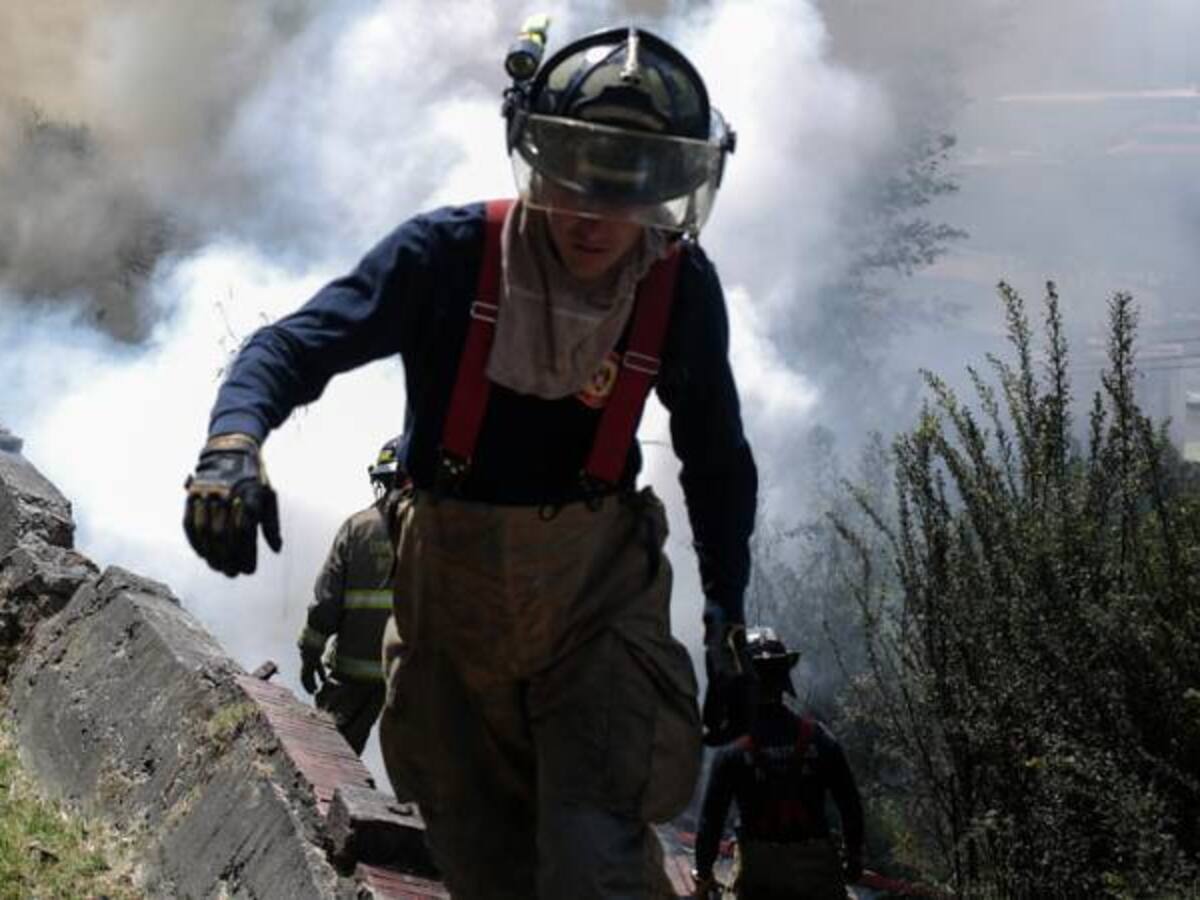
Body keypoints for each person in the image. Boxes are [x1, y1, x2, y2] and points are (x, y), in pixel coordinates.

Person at [182, 21, 756, 900]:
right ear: (534, 154)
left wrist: (725, 614)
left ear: (672, 186)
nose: (596, 212)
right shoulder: (445, 258)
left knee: (593, 855)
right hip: (452, 610)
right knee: (482, 867)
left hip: (600, 605)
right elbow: (289, 348)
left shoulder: (680, 287)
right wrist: (232, 446)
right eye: (574, 173)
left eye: (628, 186)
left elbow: (716, 459)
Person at [692, 628, 865, 900]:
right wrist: (853, 859)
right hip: (817, 874)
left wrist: (703, 874)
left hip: (759, 877)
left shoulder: (732, 747)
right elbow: (851, 806)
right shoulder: (819, 739)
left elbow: (710, 822)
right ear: (784, 677)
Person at [297, 435, 410, 755]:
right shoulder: (440, 533)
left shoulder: (357, 528)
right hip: (412, 680)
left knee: (328, 758)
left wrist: (309, 654)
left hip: (352, 675)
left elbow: (326, 604)